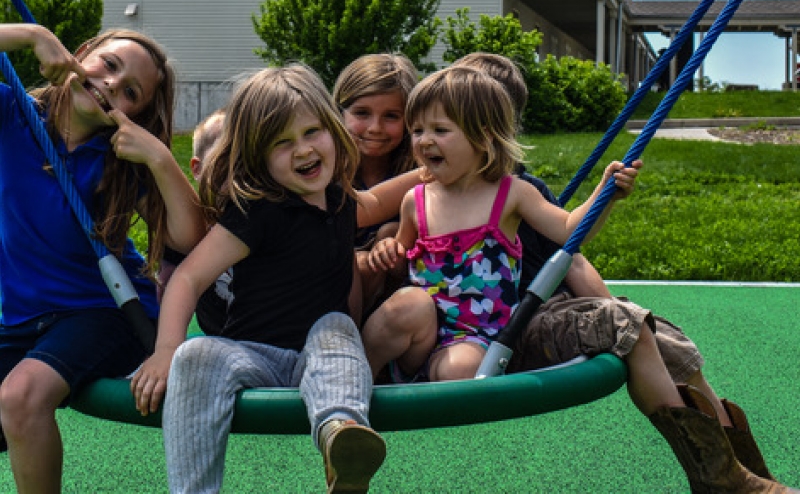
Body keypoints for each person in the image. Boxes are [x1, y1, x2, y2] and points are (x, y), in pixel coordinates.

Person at [453, 51, 798, 494]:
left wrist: (619, 306)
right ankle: (721, 480)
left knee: (665, 338)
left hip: (555, 307)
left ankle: (745, 470)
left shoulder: (522, 189)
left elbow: (572, 254)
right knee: (629, 324)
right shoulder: (440, 192)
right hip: (514, 321)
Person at [130, 63, 422, 494]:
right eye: (281, 143)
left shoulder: (339, 200)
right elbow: (188, 278)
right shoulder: (259, 213)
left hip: (318, 355)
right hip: (253, 356)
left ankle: (340, 437)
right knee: (196, 355)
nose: (302, 150)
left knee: (337, 327)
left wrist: (438, 171)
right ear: (258, 157)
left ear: (333, 131)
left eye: (311, 132)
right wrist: (165, 350)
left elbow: (378, 200)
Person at [0, 23, 206, 494]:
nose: (112, 84)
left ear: (135, 111)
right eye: (108, 65)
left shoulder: (121, 156)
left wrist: (159, 157)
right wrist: (30, 34)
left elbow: (189, 237)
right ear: (82, 52)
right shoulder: (13, 113)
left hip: (108, 312)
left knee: (21, 394)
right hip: (25, 318)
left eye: (130, 90)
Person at [362, 65, 639, 384]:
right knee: (408, 303)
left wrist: (604, 194)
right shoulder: (417, 199)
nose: (424, 141)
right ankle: (359, 376)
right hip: (420, 333)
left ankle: (434, 384)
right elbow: (402, 260)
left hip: (474, 339)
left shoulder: (512, 195)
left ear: (483, 136)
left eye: (440, 130)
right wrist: (389, 249)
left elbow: (570, 232)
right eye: (417, 130)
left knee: (460, 370)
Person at [333, 53, 418, 314]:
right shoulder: (327, 167)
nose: (375, 128)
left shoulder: (416, 165)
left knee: (391, 233)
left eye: (391, 116)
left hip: (407, 295)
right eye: (361, 113)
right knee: (355, 263)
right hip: (329, 291)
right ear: (339, 112)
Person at [158, 109, 232, 335]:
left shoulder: (268, 218)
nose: (238, 172)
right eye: (226, 158)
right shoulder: (188, 230)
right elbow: (165, 289)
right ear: (197, 169)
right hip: (210, 337)